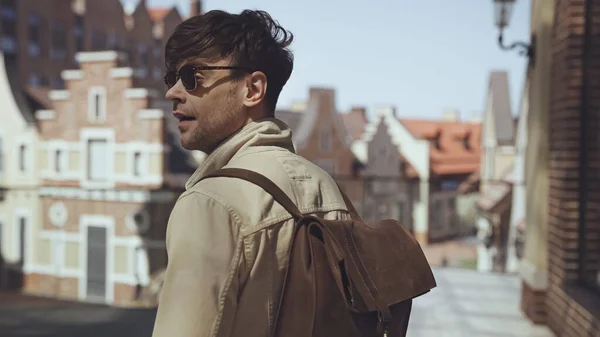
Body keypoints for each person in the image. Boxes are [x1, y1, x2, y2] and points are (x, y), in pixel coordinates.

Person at [151, 9, 356, 337]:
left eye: (192, 77)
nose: (173, 92)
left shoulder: (210, 204)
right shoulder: (328, 188)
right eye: (171, 78)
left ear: (253, 89)